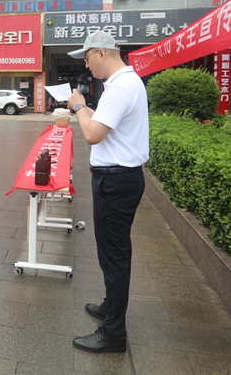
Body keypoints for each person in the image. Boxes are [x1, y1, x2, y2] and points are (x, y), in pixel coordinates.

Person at [66, 31, 149, 354]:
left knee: (114, 257)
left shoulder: (121, 87)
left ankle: (113, 334)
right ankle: (110, 307)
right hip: (118, 181)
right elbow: (102, 126)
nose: (86, 66)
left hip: (116, 183)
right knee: (112, 253)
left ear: (101, 52)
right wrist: (85, 108)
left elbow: (92, 134)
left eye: (87, 58)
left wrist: (78, 106)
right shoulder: (123, 83)